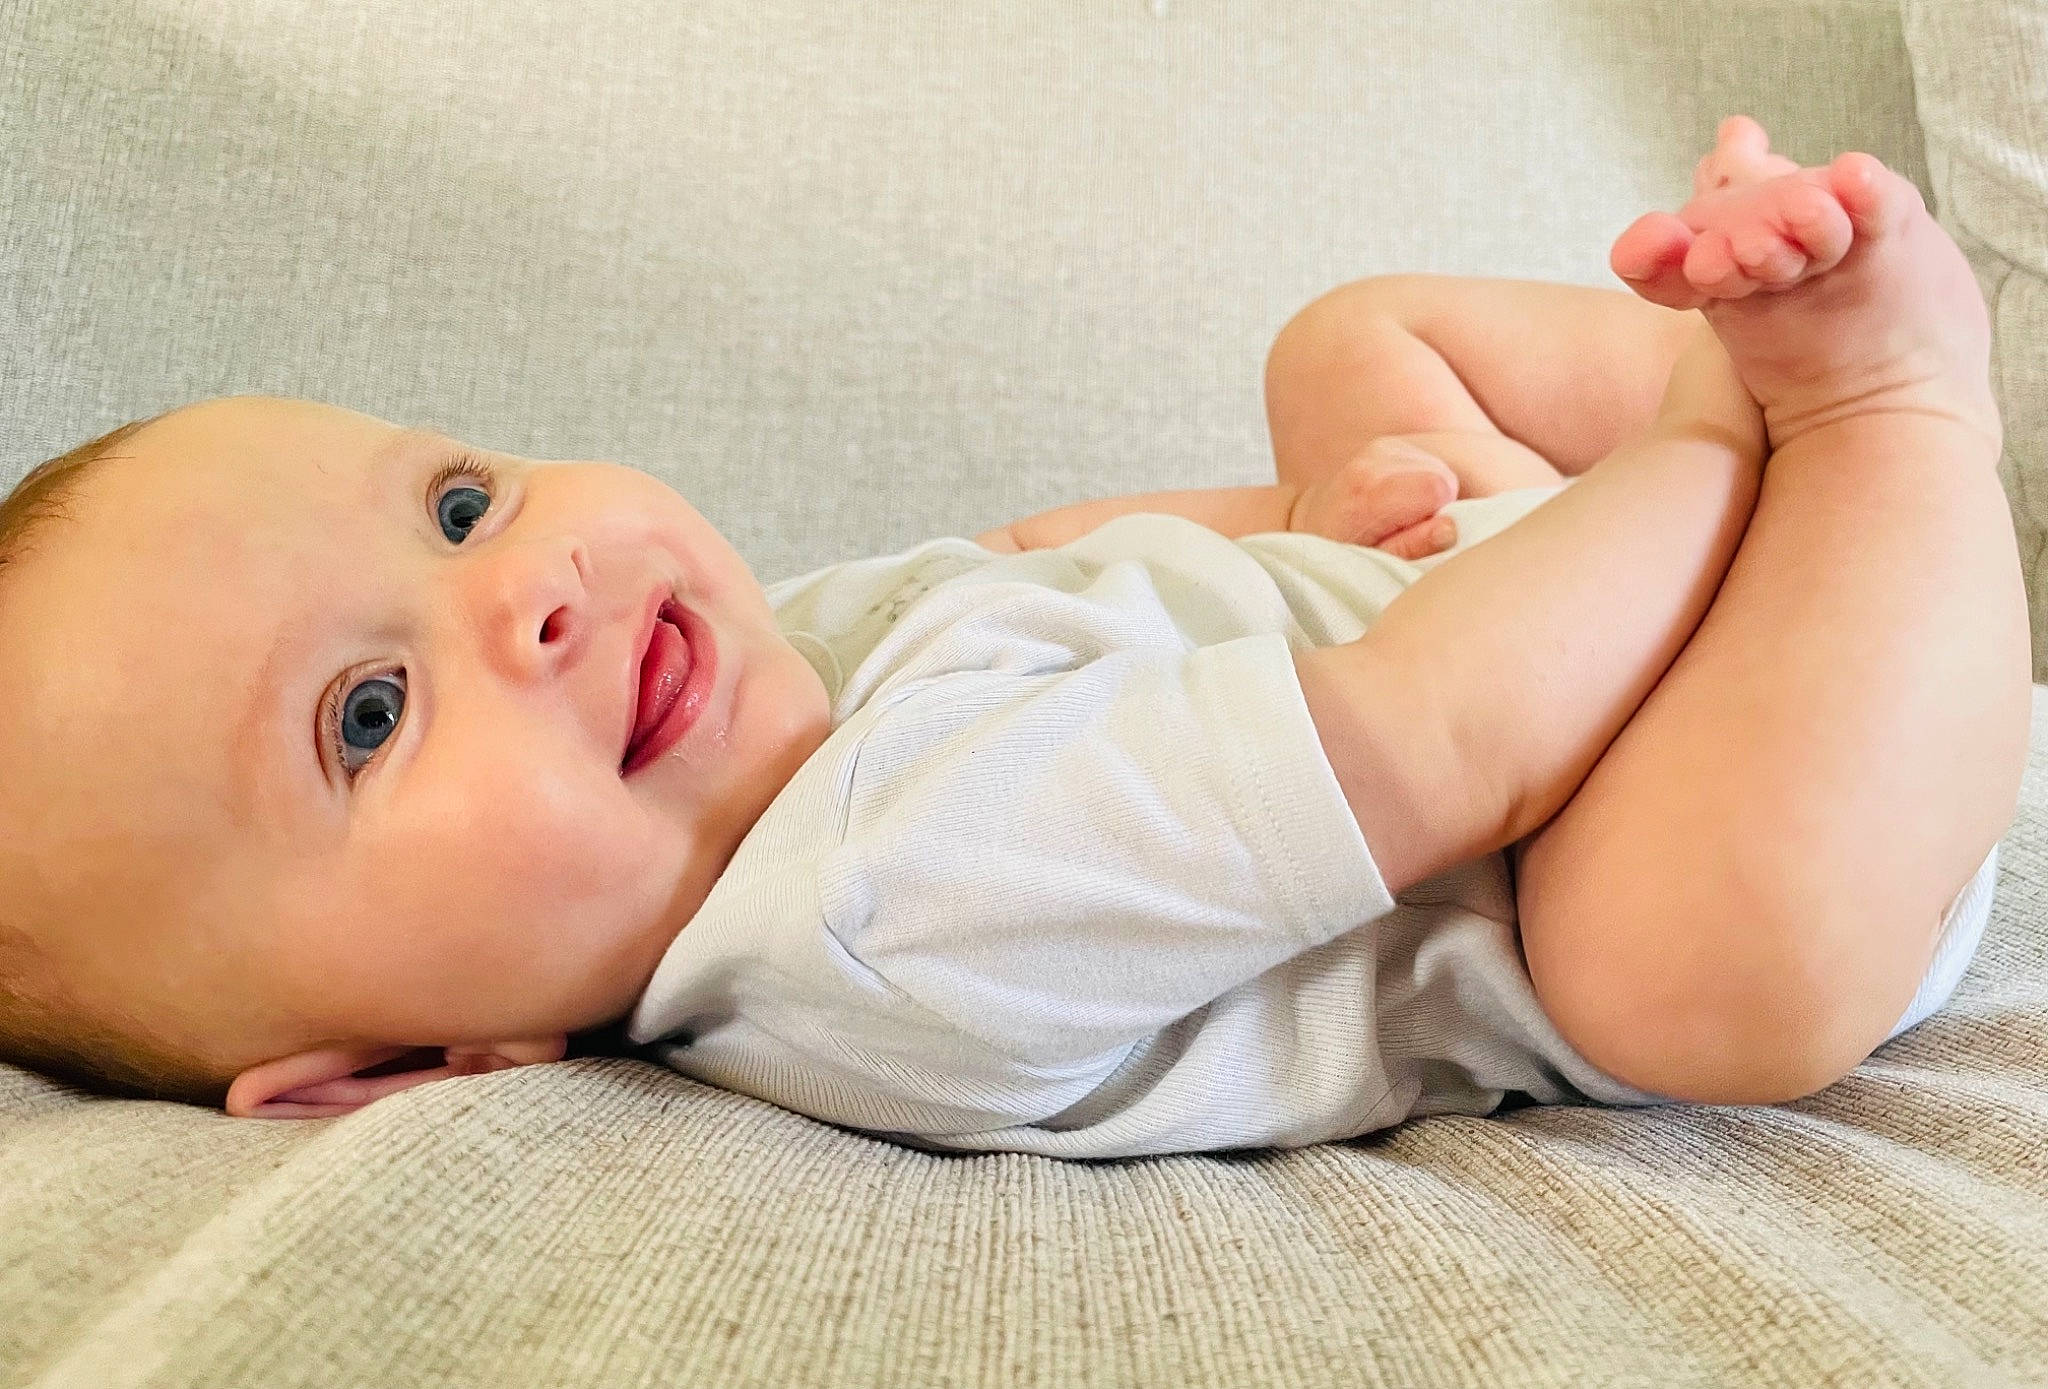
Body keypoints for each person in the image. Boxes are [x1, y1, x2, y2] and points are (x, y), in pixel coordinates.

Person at [0, 117, 2026, 1158]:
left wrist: (1318, 520)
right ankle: (1890, 414)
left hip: (1551, 611)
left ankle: (1771, 417)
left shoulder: (770, 673)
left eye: (456, 505)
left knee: (1344, 348)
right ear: (387, 1069)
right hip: (1755, 785)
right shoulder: (876, 905)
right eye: (369, 711)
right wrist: (1708, 431)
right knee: (1680, 972)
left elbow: (1061, 552)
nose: (520, 590)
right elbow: (1441, 738)